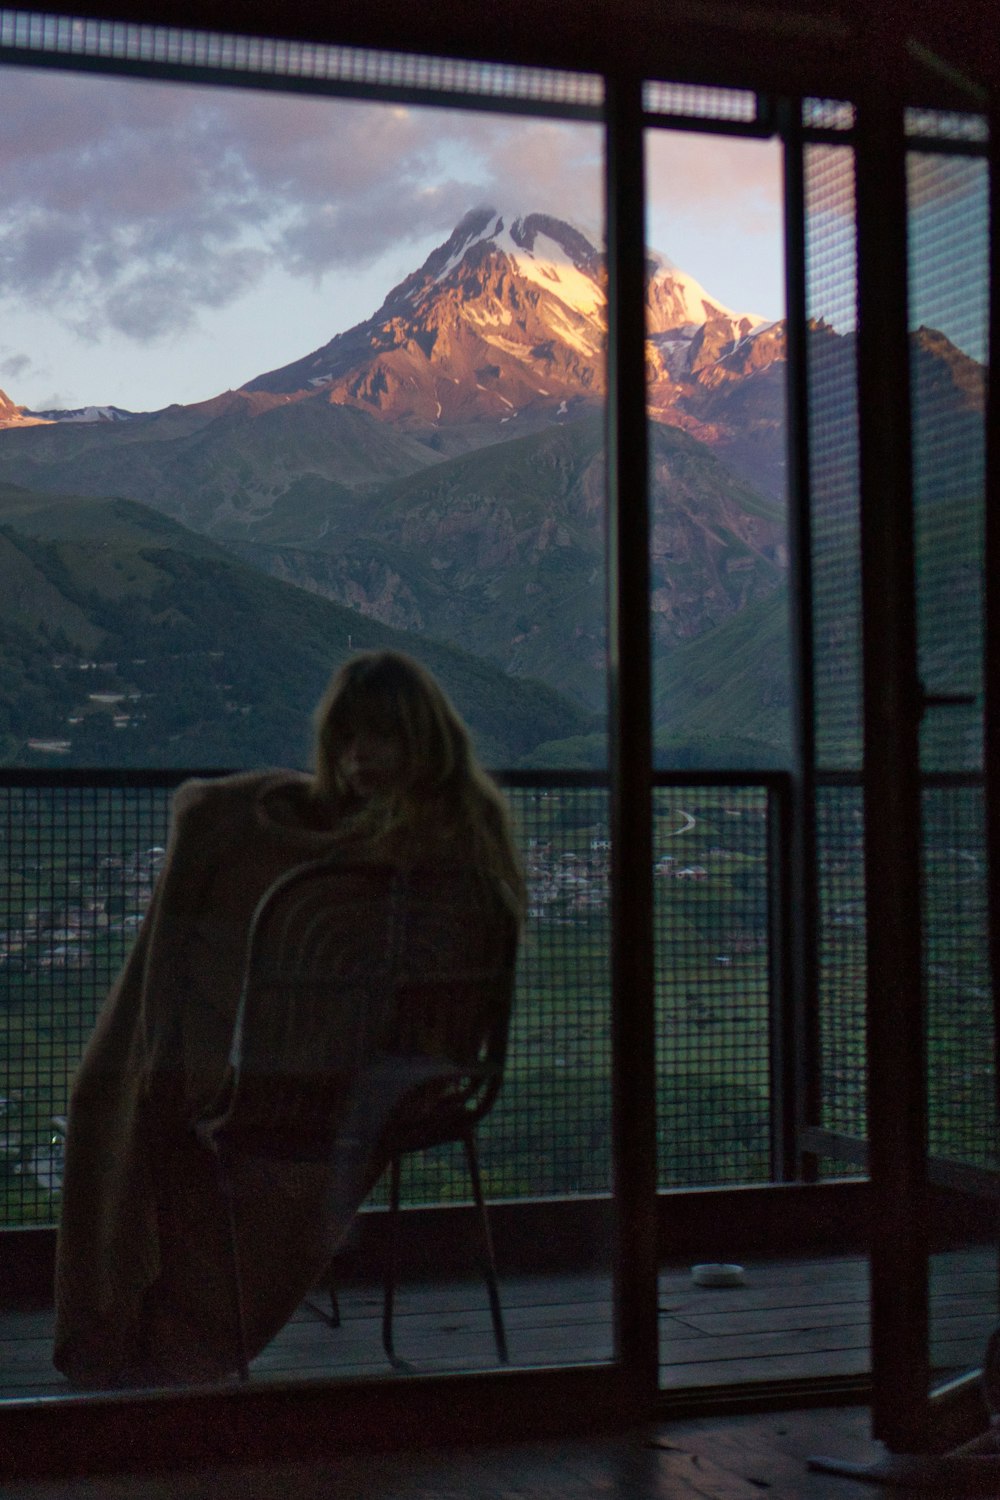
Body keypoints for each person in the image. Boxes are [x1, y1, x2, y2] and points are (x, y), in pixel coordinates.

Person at [53, 651, 524, 1388]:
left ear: (423, 740)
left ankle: (159, 1321)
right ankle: (173, 1321)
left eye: (383, 738)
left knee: (146, 1102)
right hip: (394, 1079)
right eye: (347, 740)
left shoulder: (394, 855)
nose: (359, 758)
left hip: (353, 1087)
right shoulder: (459, 834)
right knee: (148, 1097)